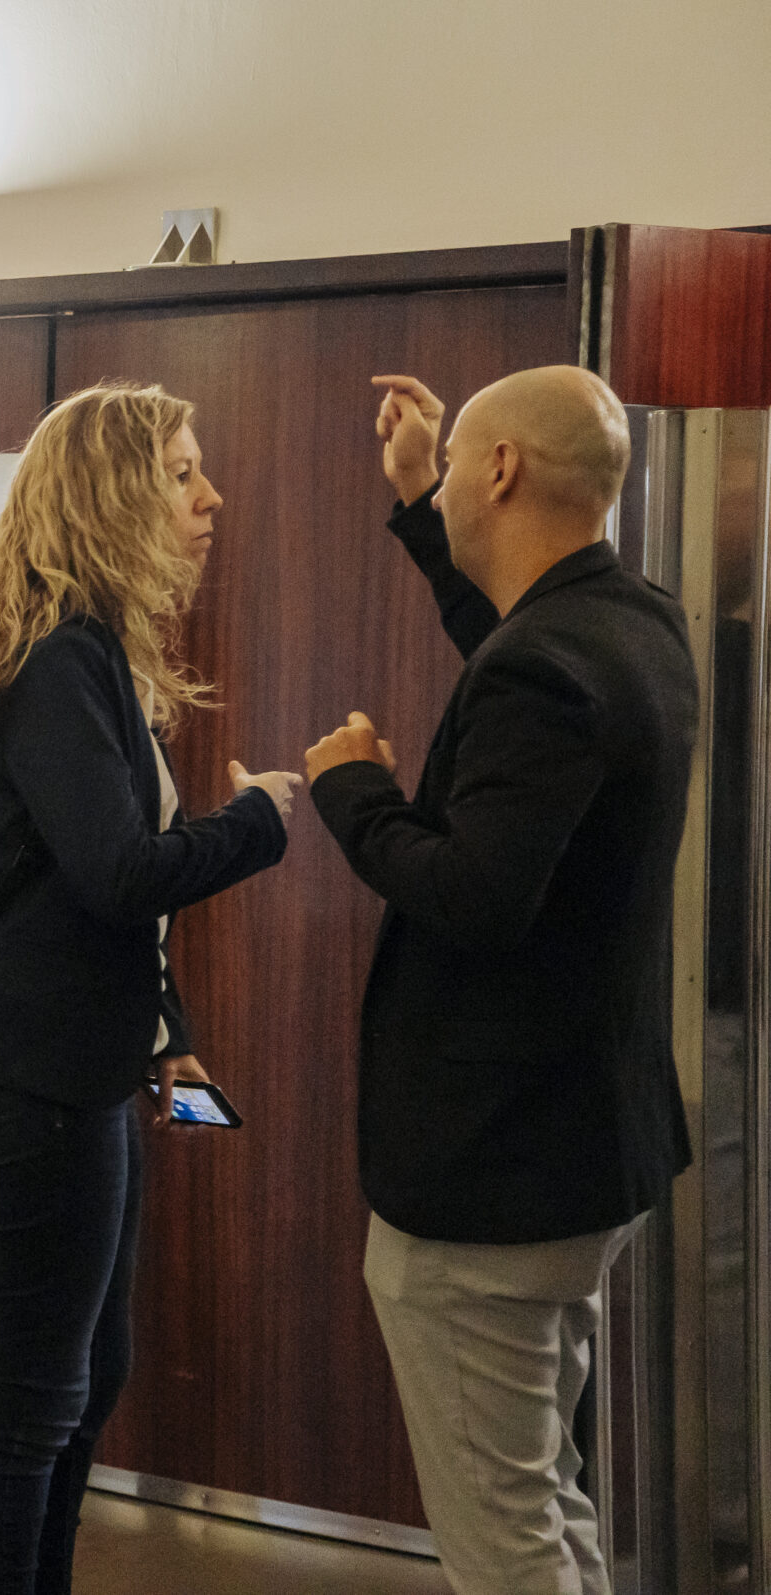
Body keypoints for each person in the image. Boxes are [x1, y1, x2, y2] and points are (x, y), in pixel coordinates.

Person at [305, 369, 695, 1595]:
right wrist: (420, 494)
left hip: (492, 1172)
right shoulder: (633, 623)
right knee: (541, 1498)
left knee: (504, 1538)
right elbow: (516, 657)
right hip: (580, 1153)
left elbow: (474, 893)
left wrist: (351, 792)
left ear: (503, 468)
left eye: (454, 468)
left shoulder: (547, 664)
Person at [0, 383, 298, 1595]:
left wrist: (164, 1030)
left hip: (82, 1066)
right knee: (35, 1396)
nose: (208, 497)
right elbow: (120, 872)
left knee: (87, 1375)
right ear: (110, 497)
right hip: (25, 1078)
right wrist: (258, 819)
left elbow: (77, 891)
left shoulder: (87, 654)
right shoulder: (58, 662)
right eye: (181, 473)